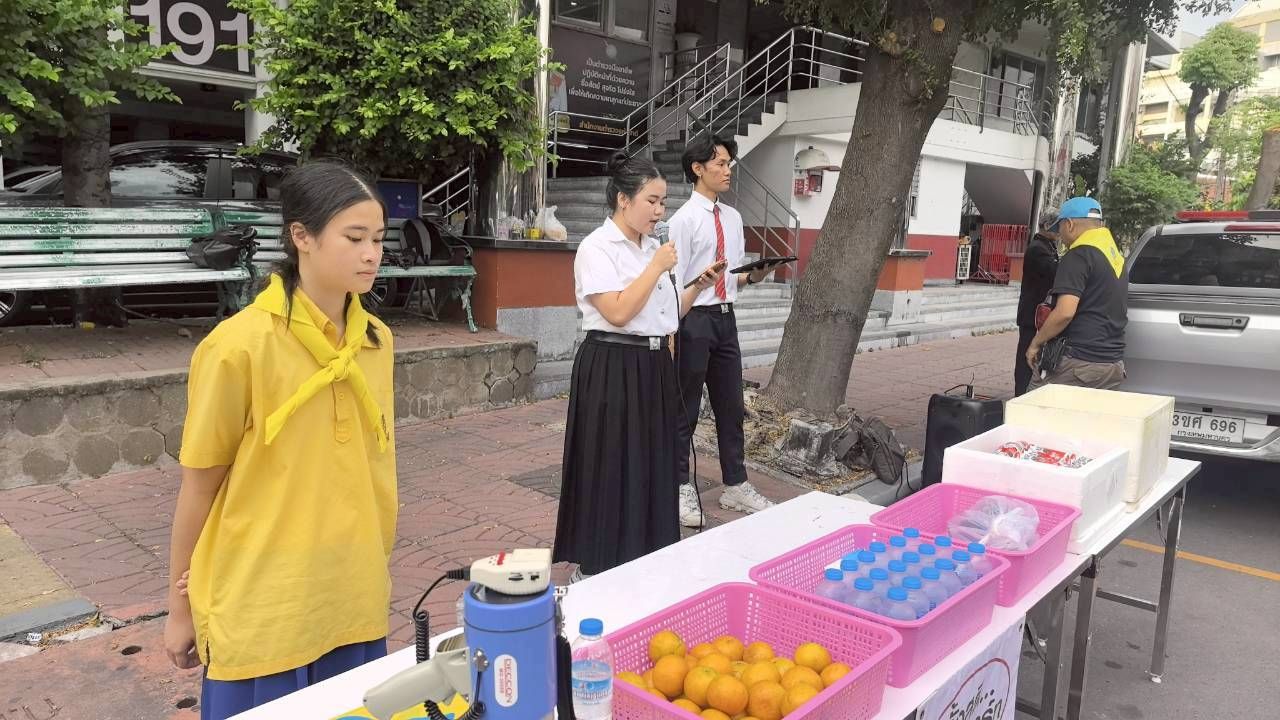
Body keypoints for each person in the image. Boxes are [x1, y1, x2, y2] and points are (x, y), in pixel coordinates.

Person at [164, 161, 397, 719]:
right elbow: (199, 486)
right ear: (301, 237)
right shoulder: (238, 346)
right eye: (354, 238)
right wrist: (179, 608)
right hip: (264, 606)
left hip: (353, 593)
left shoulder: (375, 340)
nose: (371, 254)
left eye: (378, 239)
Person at [553, 153, 721, 577]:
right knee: (611, 463)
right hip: (612, 364)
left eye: (663, 202)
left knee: (652, 462)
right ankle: (596, 565)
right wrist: (655, 267)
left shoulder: (652, 250)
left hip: (653, 365)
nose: (660, 211)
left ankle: (643, 556)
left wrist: (696, 287)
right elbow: (618, 312)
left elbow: (665, 316)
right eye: (652, 201)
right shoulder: (597, 247)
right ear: (623, 200)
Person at [669, 134, 776, 528]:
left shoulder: (732, 218)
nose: (727, 170)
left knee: (731, 406)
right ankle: (679, 485)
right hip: (693, 320)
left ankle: (736, 484)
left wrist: (754, 276)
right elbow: (674, 284)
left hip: (725, 321)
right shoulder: (682, 221)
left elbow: (732, 278)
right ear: (698, 169)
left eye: (729, 163)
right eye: (719, 163)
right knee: (685, 409)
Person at [1026, 196, 1128, 391]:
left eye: (1060, 229)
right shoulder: (1117, 259)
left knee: (1031, 405)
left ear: (1070, 224)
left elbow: (1064, 312)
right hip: (1112, 365)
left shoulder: (1078, 255)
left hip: (1078, 363)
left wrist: (1036, 343)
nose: (1060, 237)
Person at [1014, 209, 1060, 396]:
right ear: (1047, 226)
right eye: (1057, 226)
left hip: (1039, 313)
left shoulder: (1047, 246)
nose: (1060, 231)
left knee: (1035, 356)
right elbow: (1054, 272)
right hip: (1032, 315)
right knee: (1027, 358)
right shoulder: (1038, 249)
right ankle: (1021, 394)